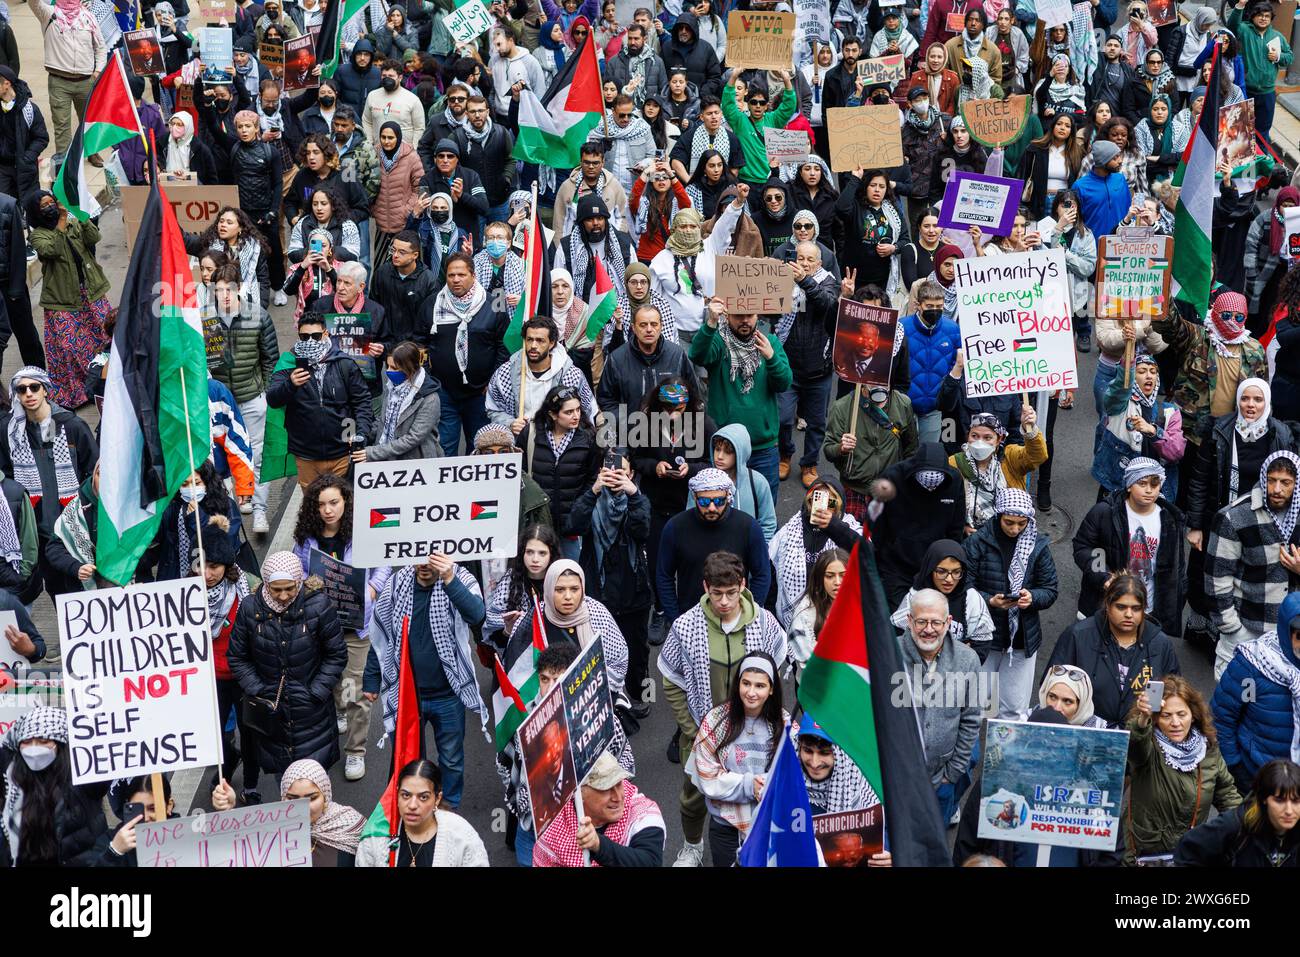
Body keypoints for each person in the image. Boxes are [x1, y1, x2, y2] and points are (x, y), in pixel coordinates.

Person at [659, 551, 785, 866]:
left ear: (743, 584)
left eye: (732, 593)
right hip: (702, 732)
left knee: (755, 790)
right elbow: (671, 679)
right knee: (692, 795)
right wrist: (690, 729)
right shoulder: (686, 626)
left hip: (753, 731)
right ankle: (692, 847)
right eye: (717, 594)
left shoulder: (765, 623)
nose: (725, 601)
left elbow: (776, 670)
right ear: (705, 587)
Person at [365, 552, 487, 809]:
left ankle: (448, 806)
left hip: (449, 693)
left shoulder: (461, 578)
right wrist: (372, 679)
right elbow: (383, 636)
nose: (423, 564)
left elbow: (477, 615)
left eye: (431, 558)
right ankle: (414, 807)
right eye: (418, 556)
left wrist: (450, 579)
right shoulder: (397, 584)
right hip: (408, 694)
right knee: (410, 758)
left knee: (451, 759)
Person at [227, 552, 347, 776]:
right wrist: (259, 690)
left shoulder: (319, 606)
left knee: (315, 789)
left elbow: (336, 654)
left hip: (313, 713)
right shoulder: (249, 609)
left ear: (299, 582)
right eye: (276, 589)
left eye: (290, 588)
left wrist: (316, 691)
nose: (283, 596)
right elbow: (237, 657)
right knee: (286, 791)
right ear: (266, 584)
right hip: (272, 714)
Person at [0, 366, 97, 603]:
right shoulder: (11, 432)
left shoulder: (71, 425)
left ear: (46, 390)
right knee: (55, 587)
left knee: (83, 585)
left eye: (35, 387)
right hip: (38, 527)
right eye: (22, 390)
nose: (29, 394)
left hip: (74, 523)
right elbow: (7, 477)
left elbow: (94, 470)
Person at [1123, 675, 1241, 865]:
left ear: (1193, 715)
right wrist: (1143, 718)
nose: (1175, 723)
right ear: (1156, 719)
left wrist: (1249, 824)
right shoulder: (1149, 746)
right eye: (1166, 716)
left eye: (1181, 714)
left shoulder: (1207, 749)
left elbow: (1227, 795)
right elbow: (1135, 744)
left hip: (1190, 855)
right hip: (1145, 856)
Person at [965, 488, 1059, 718]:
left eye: (1022, 523)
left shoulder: (1038, 546)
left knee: (1014, 710)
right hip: (984, 638)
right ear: (999, 516)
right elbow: (963, 586)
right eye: (1009, 522)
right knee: (972, 707)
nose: (1015, 529)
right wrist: (989, 601)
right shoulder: (978, 542)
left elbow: (1050, 589)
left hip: (1021, 640)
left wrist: (1032, 598)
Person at [687, 650, 787, 866]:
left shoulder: (786, 725)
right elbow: (706, 775)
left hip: (771, 825)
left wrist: (768, 785)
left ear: (771, 689)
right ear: (737, 683)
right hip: (726, 828)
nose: (751, 692)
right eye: (746, 683)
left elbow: (795, 775)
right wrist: (749, 785)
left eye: (760, 686)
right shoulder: (715, 720)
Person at [1206, 451, 1300, 678]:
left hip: (1291, 632)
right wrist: (1231, 628)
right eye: (1271, 480)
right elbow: (1216, 577)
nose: (1277, 489)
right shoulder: (1235, 516)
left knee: (1278, 706)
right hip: (1246, 629)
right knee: (1233, 701)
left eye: (1286, 482)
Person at [690, 299, 791, 504]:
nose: (744, 320)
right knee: (723, 506)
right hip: (726, 447)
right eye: (738, 315)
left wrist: (771, 358)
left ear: (757, 316)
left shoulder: (770, 342)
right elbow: (698, 355)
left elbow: (784, 383)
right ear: (728, 315)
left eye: (750, 315)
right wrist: (710, 322)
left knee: (764, 505)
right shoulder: (718, 341)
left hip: (763, 448)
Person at [1050, 571, 1182, 726]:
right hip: (1085, 734)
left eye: (1136, 608)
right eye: (1121, 607)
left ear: (1144, 609)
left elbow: (1175, 693)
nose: (1128, 614)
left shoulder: (1160, 644)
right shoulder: (1078, 636)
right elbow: (1052, 688)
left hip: (1140, 737)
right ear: (1107, 605)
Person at [898, 588, 983, 822]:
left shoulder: (968, 659)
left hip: (942, 781)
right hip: (894, 782)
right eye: (921, 621)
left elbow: (971, 720)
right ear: (909, 621)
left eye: (936, 622)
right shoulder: (889, 655)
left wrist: (953, 773)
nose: (928, 629)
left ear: (948, 622)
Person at [206, 264, 279, 534]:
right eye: (219, 290)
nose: (224, 295)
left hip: (251, 396)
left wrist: (268, 394)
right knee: (219, 459)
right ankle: (230, 512)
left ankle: (259, 510)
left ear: (240, 288)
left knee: (257, 455)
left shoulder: (258, 317)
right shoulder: (204, 320)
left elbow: (270, 358)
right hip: (219, 402)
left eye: (230, 289)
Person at [1075, 456, 1186, 632]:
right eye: (1142, 484)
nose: (1149, 490)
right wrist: (1104, 577)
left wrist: (1174, 604)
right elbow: (1084, 547)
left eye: (1154, 485)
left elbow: (1177, 568)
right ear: (1129, 485)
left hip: (1147, 609)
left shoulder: (1170, 519)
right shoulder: (1105, 512)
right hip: (1108, 604)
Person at [266, 311, 375, 489]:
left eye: (316, 336)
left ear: (326, 334)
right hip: (306, 455)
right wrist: (291, 384)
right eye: (304, 336)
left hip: (341, 453)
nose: (310, 341)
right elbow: (273, 400)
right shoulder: (288, 364)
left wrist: (361, 434)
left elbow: (362, 402)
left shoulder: (344, 363)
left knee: (340, 506)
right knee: (313, 509)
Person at [1154, 291, 1268, 454]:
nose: (1232, 321)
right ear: (1215, 313)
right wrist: (1161, 293)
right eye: (1227, 315)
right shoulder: (1197, 338)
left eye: (1239, 317)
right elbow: (1171, 325)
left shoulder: (1255, 349)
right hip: (1192, 433)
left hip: (1232, 437)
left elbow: (1263, 394)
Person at [25, 191, 110, 409]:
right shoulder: (38, 235)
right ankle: (78, 394)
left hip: (90, 289)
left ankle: (103, 382)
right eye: (44, 206)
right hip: (61, 298)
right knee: (69, 348)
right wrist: (62, 221)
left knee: (103, 336)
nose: (50, 207)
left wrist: (81, 216)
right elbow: (51, 249)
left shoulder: (72, 222)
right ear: (36, 212)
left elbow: (94, 238)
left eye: (51, 202)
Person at [1213, 590, 1300, 794]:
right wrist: (1236, 769)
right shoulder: (1252, 668)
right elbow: (1222, 717)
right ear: (1286, 634)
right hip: (1259, 780)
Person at [0, 706, 109, 866]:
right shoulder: (11, 779)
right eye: (27, 741)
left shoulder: (82, 776)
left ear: (60, 743)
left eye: (44, 741)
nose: (34, 748)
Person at [776, 241, 839, 488]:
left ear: (819, 263)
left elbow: (827, 303)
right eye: (799, 258)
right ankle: (785, 454)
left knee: (816, 423)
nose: (803, 263)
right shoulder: (782, 279)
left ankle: (809, 463)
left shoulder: (828, 281)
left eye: (809, 259)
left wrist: (804, 281)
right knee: (782, 419)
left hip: (818, 368)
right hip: (788, 366)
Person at [533, 751, 666, 867]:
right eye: (606, 789)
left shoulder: (642, 812)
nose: (618, 797)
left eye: (619, 784)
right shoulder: (554, 825)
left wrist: (598, 845)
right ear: (579, 793)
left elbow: (650, 861)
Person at [356, 759, 490, 866]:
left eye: (423, 797)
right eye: (406, 795)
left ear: (437, 798)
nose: (412, 805)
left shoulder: (462, 835)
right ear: (397, 795)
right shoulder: (376, 836)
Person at [770, 479, 861, 630]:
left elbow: (868, 553)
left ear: (838, 505)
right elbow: (772, 572)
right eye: (817, 499)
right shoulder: (790, 531)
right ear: (808, 502)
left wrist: (834, 526)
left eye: (830, 502)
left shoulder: (848, 528)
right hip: (795, 618)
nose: (823, 507)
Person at [823, 385, 920, 525]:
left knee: (886, 542)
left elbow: (911, 449)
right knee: (852, 542)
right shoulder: (842, 407)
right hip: (855, 489)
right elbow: (828, 450)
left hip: (889, 489)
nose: (879, 385)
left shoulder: (903, 404)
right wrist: (841, 448)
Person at [1176, 759, 1300, 866]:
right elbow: (1187, 851)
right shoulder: (1233, 825)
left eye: (1296, 801)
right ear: (1263, 799)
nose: (1289, 811)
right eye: (1279, 800)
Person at [25, 0, 105, 158]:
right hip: (59, 82)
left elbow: (100, 47)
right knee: (61, 126)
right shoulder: (48, 14)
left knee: (89, 122)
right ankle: (64, 163)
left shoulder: (88, 17)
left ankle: (92, 152)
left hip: (86, 81)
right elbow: (33, 2)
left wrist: (97, 71)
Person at [948, 409, 1047, 533]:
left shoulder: (1010, 457)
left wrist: (1029, 428)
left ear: (999, 439)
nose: (980, 442)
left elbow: (1037, 456)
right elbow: (947, 503)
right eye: (974, 436)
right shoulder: (954, 462)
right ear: (968, 436)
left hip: (1010, 529)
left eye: (987, 437)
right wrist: (961, 528)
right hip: (973, 533)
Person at [362, 341, 441, 462]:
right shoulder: (392, 388)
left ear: (409, 368)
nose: (389, 371)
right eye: (387, 366)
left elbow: (413, 438)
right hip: (387, 459)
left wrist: (373, 452)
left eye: (394, 368)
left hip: (417, 463)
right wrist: (363, 436)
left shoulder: (430, 398)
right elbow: (383, 420)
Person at [1226, 0, 1292, 141]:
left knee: (1263, 132)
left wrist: (1278, 56)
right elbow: (1231, 26)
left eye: (1267, 16)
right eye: (1260, 15)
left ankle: (1261, 160)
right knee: (1241, 129)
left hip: (1267, 92)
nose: (1263, 18)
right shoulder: (1244, 30)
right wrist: (1240, 5)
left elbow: (1289, 57)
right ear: (1253, 16)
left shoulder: (1277, 36)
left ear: (1271, 19)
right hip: (1246, 90)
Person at [788, 548, 848, 681]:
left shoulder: (864, 607)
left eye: (843, 575)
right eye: (830, 576)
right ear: (820, 578)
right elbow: (808, 658)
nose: (837, 582)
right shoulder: (805, 612)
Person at [553, 143, 632, 240]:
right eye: (586, 162)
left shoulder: (614, 185)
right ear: (580, 162)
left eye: (595, 163)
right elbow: (559, 224)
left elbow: (623, 217)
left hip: (609, 245)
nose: (591, 167)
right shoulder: (567, 187)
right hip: (575, 246)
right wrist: (562, 250)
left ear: (603, 163)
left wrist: (618, 242)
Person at [0, 66, 48, 204]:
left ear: (6, 84)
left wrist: (27, 158)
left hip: (24, 169)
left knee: (28, 207)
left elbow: (41, 138)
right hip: (3, 168)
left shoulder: (29, 109)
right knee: (5, 209)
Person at [1073, 139, 1131, 246]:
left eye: (1119, 156)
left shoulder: (1121, 179)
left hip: (1122, 245)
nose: (1120, 160)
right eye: (1115, 157)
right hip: (1092, 247)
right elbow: (1074, 221)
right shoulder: (1080, 186)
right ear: (1103, 160)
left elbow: (1129, 209)